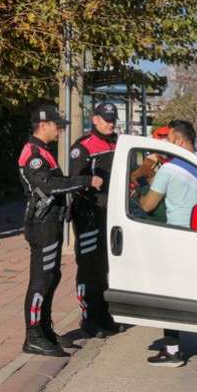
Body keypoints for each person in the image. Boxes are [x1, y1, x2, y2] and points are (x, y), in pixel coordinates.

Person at [138, 120, 197, 367]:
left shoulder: (169, 170)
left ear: (177, 138)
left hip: (175, 239)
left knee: (171, 297)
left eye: (169, 137)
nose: (166, 142)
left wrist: (143, 186)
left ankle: (172, 351)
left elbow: (148, 205)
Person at [18, 105, 103, 356]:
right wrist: (86, 181)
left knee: (52, 277)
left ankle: (45, 331)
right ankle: (33, 336)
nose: (61, 130)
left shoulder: (44, 151)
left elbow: (58, 183)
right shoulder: (33, 153)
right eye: (58, 125)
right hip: (42, 225)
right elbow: (49, 184)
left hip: (51, 223)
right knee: (41, 279)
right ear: (43, 125)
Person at [69, 102, 120, 337]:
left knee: (104, 267)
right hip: (88, 213)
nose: (110, 123)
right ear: (95, 119)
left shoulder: (118, 142)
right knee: (88, 266)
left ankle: (103, 314)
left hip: (111, 215)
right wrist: (91, 186)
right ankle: (88, 317)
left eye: (113, 119)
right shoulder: (83, 146)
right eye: (106, 118)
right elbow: (74, 181)